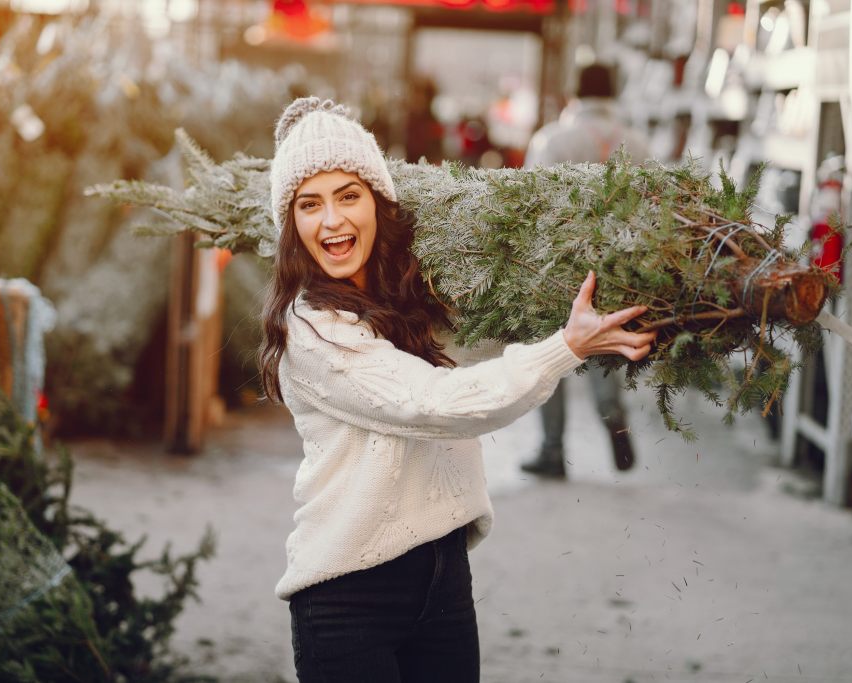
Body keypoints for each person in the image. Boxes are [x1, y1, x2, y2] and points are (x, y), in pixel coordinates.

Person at [259, 96, 655, 682]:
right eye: (309, 204)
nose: (333, 221)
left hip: (442, 583)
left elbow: (485, 335)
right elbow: (436, 404)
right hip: (347, 600)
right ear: (292, 225)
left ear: (378, 201)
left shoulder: (408, 294)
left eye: (348, 195)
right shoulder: (311, 327)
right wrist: (565, 348)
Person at [520, 63, 652, 478]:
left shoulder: (552, 140)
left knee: (554, 355)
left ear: (574, 93)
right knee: (603, 347)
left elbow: (526, 200)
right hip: (616, 264)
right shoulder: (639, 143)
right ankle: (615, 421)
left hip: (556, 266)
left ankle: (553, 450)